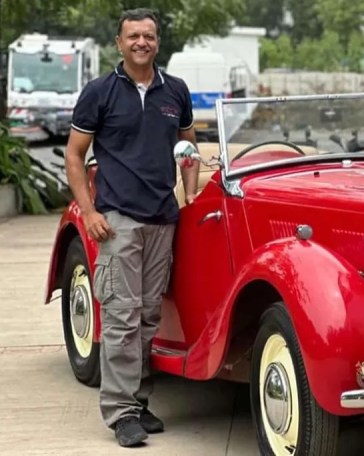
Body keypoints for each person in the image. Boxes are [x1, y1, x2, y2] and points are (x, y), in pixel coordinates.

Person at [64, 8, 199, 448]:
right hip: (118, 219)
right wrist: (89, 211)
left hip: (163, 217)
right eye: (133, 36)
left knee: (147, 316)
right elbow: (74, 155)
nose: (142, 42)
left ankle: (139, 401)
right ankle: (121, 412)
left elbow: (188, 148)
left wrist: (191, 195)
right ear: (119, 44)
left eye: (149, 36)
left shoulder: (174, 90)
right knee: (121, 318)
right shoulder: (100, 92)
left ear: (158, 42)